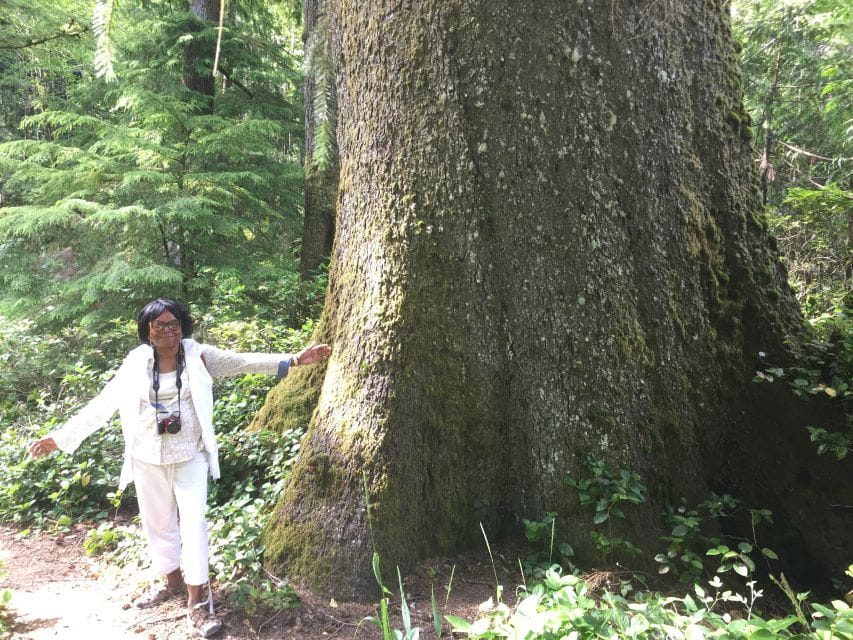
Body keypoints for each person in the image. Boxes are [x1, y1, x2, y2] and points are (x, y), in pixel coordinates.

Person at [29, 298, 331, 637]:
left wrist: (294, 360)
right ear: (147, 331)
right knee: (158, 525)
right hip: (146, 457)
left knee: (194, 523)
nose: (168, 331)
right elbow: (104, 403)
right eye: (160, 325)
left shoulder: (198, 355)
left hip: (190, 455)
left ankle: (197, 602)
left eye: (174, 324)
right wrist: (59, 437)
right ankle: (170, 581)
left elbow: (242, 362)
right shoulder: (135, 363)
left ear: (182, 327)